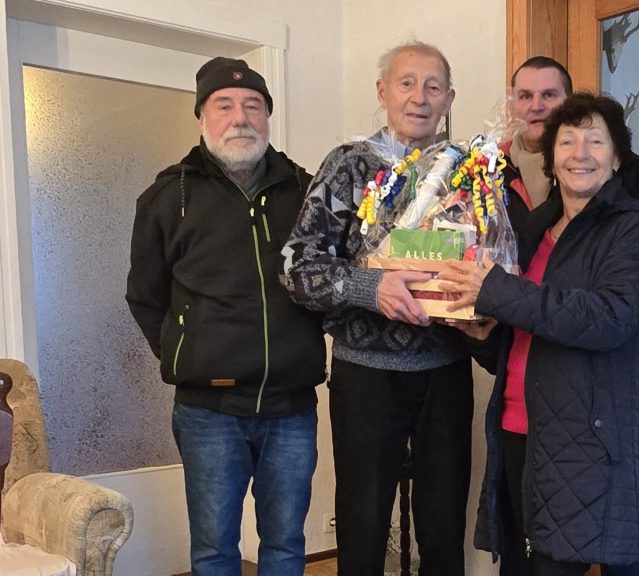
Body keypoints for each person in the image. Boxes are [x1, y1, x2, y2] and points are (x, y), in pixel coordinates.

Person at [466, 56, 639, 575]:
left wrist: (498, 292)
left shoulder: (634, 224)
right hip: (516, 420)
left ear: (618, 159)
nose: (579, 153)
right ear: (551, 158)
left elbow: (612, 316)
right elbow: (519, 326)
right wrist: (478, 329)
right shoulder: (533, 229)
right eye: (567, 142)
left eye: (595, 142)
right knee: (521, 562)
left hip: (583, 429)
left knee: (567, 559)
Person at [126, 57, 326, 576]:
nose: (241, 118)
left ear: (267, 117)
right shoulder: (169, 197)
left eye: (253, 106)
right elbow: (144, 295)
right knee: (215, 551)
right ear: (202, 117)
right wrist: (187, 348)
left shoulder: (306, 193)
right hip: (208, 412)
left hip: (291, 408)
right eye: (224, 105)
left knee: (286, 545)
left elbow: (328, 279)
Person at [280, 42, 472, 576]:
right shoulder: (348, 164)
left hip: (447, 372)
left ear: (449, 98)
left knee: (444, 529)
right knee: (363, 527)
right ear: (383, 91)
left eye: (434, 86)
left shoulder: (467, 170)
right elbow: (298, 268)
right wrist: (373, 287)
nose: (420, 97)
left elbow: (487, 258)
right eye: (407, 83)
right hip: (366, 375)